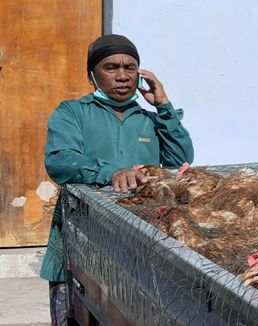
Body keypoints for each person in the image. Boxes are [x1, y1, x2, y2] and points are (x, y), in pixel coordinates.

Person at [39, 34, 194, 325]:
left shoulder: (150, 119)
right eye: (111, 67)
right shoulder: (73, 113)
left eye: (130, 67)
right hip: (80, 239)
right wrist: (110, 173)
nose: (122, 75)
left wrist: (164, 107)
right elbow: (59, 161)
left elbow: (180, 160)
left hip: (136, 244)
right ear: (92, 75)